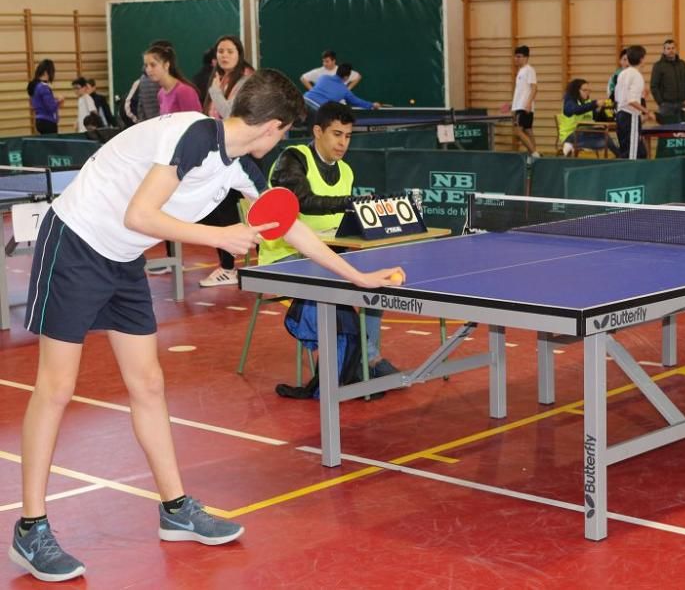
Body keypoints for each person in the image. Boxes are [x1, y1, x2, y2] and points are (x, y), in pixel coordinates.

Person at [7, 69, 404, 583]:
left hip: (123, 258)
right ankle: (31, 528)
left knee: (148, 382)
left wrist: (357, 277)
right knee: (56, 388)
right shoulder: (195, 136)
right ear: (273, 128)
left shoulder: (237, 163)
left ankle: (175, 508)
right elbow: (140, 214)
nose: (282, 141)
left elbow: (291, 226)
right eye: (285, 133)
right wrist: (223, 232)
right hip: (78, 244)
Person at [261, 101, 401, 379]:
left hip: (328, 255)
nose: (343, 143)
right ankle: (367, 360)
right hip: (285, 257)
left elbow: (338, 222)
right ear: (317, 131)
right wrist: (349, 202)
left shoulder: (346, 170)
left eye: (348, 136)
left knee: (380, 279)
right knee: (334, 286)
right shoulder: (293, 158)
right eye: (337, 134)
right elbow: (303, 201)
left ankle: (363, 359)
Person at [200, 35, 256, 287]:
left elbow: (230, 113)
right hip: (218, 151)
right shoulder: (220, 78)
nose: (224, 55)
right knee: (221, 207)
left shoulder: (245, 79)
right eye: (220, 51)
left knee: (246, 207)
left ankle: (232, 265)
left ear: (239, 53)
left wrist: (213, 90)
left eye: (229, 51)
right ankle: (228, 265)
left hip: (239, 152)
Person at [558, 78, 617, 157]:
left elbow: (597, 119)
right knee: (604, 140)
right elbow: (576, 110)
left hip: (585, 133)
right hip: (571, 134)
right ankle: (569, 144)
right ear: (576, 90)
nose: (587, 92)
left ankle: (569, 147)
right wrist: (595, 104)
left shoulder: (587, 102)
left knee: (604, 139)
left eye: (589, 90)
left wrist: (607, 112)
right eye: (584, 90)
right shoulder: (569, 101)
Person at [614, 45, 654, 159]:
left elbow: (619, 96)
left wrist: (641, 95)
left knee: (639, 152)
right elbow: (630, 100)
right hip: (630, 116)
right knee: (632, 154)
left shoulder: (623, 73)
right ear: (641, 59)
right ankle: (629, 176)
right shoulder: (637, 75)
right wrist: (647, 111)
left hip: (621, 114)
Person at [144, 43, 202, 115]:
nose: (148, 70)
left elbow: (196, 123)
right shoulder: (160, 94)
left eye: (153, 65)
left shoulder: (184, 91)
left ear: (166, 65)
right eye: (146, 65)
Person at [303, 64, 380, 111]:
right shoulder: (345, 91)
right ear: (346, 77)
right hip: (317, 108)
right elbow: (356, 101)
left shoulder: (323, 77)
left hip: (303, 101)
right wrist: (372, 105)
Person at [650, 39, 685, 124]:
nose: (671, 50)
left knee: (681, 131)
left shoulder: (682, 64)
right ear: (664, 51)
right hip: (666, 105)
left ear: (676, 50)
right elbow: (654, 86)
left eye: (673, 48)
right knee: (666, 130)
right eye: (668, 48)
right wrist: (660, 102)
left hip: (681, 104)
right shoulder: (658, 66)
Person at [510, 45, 540, 159]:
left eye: (519, 56)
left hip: (523, 107)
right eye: (515, 56)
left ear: (526, 57)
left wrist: (528, 103)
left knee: (518, 131)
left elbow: (534, 88)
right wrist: (513, 107)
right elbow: (520, 92)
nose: (516, 59)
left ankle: (534, 154)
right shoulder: (521, 71)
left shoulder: (529, 70)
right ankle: (533, 155)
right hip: (519, 106)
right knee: (528, 131)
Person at [26, 59, 62, 134]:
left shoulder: (35, 86)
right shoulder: (43, 87)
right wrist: (59, 101)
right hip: (47, 121)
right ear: (46, 72)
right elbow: (51, 107)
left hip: (39, 120)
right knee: (52, 145)